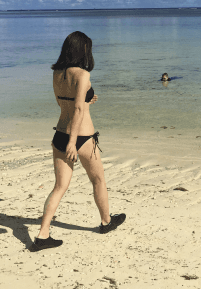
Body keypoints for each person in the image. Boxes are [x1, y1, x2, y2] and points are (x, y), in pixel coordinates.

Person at [31, 31, 126, 252]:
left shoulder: (57, 73)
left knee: (59, 187)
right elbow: (78, 109)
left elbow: (63, 102)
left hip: (60, 134)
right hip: (81, 138)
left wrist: (86, 100)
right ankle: (106, 222)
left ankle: (42, 235)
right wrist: (74, 142)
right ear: (83, 50)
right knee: (98, 180)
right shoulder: (83, 74)